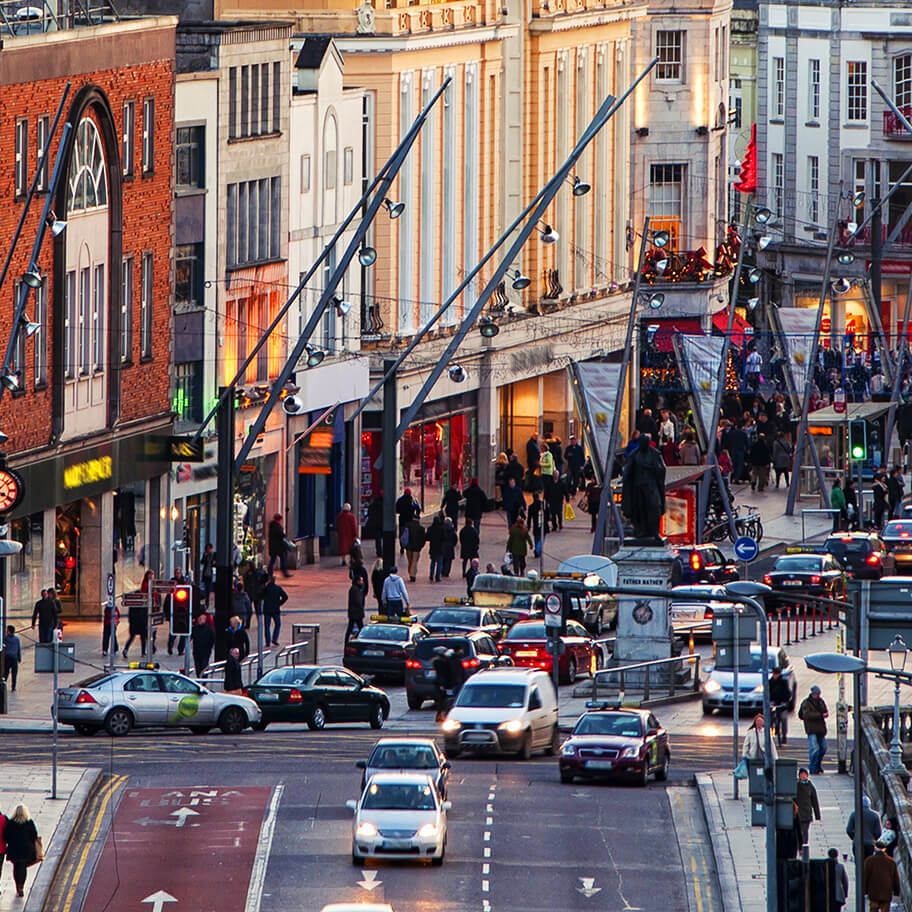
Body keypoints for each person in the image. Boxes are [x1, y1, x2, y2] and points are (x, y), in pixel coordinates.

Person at [2, 804, 41, 898]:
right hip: (26, 850)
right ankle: (22, 886)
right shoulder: (29, 822)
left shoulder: (11, 823)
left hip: (14, 850)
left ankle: (17, 885)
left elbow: (5, 836)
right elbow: (34, 835)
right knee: (23, 868)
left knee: (16, 867)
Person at [798, 684, 828, 773]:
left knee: (823, 748)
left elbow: (825, 710)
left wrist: (824, 713)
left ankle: (817, 765)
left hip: (821, 729)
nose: (818, 695)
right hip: (811, 729)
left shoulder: (821, 702)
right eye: (817, 694)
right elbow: (806, 715)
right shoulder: (806, 703)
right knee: (814, 748)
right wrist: (820, 715)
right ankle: (813, 767)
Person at [863, 840, 899, 912]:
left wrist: (865, 890)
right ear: (885, 849)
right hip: (886, 892)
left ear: (875, 848)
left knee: (873, 909)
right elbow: (895, 878)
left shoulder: (869, 861)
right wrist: (896, 891)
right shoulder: (891, 861)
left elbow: (865, 877)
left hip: (873, 892)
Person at [847, 796, 882, 860]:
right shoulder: (875, 815)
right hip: (870, 843)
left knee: (859, 863)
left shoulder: (854, 814)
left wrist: (854, 837)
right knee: (868, 863)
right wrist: (873, 839)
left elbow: (849, 830)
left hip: (857, 843)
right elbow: (878, 832)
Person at [794, 768, 820, 850]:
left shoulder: (810, 786)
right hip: (798, 813)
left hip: (807, 813)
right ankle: (800, 846)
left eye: (804, 775)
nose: (803, 776)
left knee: (805, 832)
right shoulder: (796, 786)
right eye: (801, 775)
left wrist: (817, 815)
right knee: (799, 831)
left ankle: (804, 845)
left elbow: (815, 801)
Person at [261, 575, 288, 646]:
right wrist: (279, 603)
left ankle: (267, 641)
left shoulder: (266, 588)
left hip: (267, 609)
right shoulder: (278, 588)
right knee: (278, 624)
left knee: (267, 625)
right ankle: (274, 638)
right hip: (275, 609)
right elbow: (285, 596)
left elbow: (260, 596)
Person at [769, 666, 792, 745]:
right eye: (774, 674)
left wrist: (785, 702)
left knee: (783, 718)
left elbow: (787, 693)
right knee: (770, 719)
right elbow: (768, 692)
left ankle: (784, 735)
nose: (775, 675)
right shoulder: (770, 682)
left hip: (782, 704)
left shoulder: (783, 682)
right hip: (773, 703)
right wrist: (769, 701)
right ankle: (771, 733)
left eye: (777, 674)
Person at [267, 513, 291, 578]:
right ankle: (284, 572)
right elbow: (280, 534)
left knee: (273, 560)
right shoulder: (276, 526)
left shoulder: (272, 525)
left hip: (273, 546)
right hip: (278, 547)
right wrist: (284, 535)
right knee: (282, 559)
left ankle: (270, 573)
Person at [403, 514, 426, 582]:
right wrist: (421, 546)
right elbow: (423, 539)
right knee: (414, 561)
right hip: (417, 547)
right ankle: (412, 574)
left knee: (410, 560)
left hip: (408, 546)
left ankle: (410, 572)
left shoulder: (407, 526)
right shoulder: (421, 528)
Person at [432, 646, 452, 722]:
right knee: (443, 700)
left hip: (441, 683)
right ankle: (441, 715)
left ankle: (440, 715)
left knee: (442, 700)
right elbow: (443, 674)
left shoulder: (437, 661)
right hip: (442, 683)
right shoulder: (440, 662)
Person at [827, 847, 849, 912]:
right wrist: (845, 893)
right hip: (838, 895)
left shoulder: (824, 866)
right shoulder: (840, 867)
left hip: (827, 895)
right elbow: (845, 882)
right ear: (837, 855)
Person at [426, 513, 445, 583]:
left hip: (433, 547)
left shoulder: (430, 528)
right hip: (440, 548)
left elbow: (427, 537)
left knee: (433, 562)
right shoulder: (441, 529)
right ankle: (437, 576)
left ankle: (431, 574)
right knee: (440, 563)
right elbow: (444, 538)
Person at [346, 579, 365, 644]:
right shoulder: (355, 590)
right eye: (361, 581)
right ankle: (362, 640)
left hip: (354, 613)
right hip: (356, 613)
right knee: (361, 628)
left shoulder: (355, 589)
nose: (362, 582)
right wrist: (361, 610)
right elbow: (358, 601)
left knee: (351, 627)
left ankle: (347, 641)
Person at [3, 624, 21, 692]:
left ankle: (3, 685)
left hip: (7, 657)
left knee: (6, 672)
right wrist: (19, 658)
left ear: (9, 631)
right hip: (14, 658)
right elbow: (18, 649)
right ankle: (13, 687)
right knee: (14, 673)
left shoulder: (5, 638)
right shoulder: (17, 639)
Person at [527, 490, 544, 558]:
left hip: (535, 524)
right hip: (542, 524)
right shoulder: (542, 505)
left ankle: (537, 550)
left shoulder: (531, 507)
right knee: (541, 538)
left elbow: (529, 518)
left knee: (536, 538)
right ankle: (537, 550)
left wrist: (528, 526)